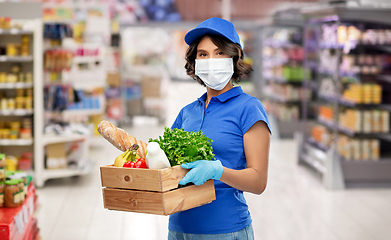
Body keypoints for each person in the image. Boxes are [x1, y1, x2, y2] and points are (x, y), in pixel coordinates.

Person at [168, 17, 271, 240]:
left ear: (234, 58)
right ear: (194, 62)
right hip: (178, 228)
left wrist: (218, 171)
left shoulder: (249, 109)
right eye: (203, 54)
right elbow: (168, 167)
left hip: (225, 230)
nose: (210, 60)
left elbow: (259, 181)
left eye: (219, 52)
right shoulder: (187, 112)